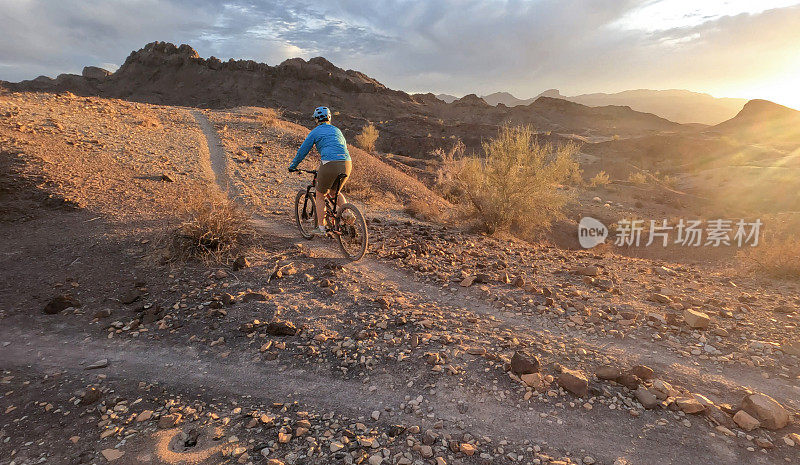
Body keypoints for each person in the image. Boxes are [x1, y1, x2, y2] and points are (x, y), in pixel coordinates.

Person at [288, 106, 352, 235]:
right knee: (335, 192)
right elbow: (343, 146)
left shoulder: (315, 132)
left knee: (320, 195)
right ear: (329, 117)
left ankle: (321, 228)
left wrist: (293, 165)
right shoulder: (337, 130)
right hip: (347, 163)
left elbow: (303, 151)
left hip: (329, 163)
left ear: (316, 119)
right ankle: (347, 213)